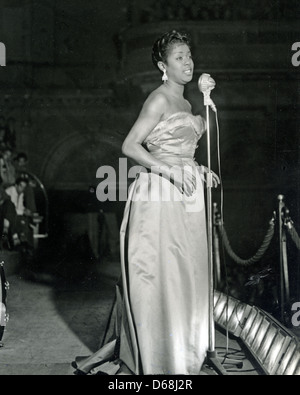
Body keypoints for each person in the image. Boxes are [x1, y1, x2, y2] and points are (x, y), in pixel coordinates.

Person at [74, 30, 219, 375]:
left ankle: (180, 351)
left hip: (187, 195)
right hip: (160, 196)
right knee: (160, 276)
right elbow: (131, 146)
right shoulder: (157, 99)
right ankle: (157, 358)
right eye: (179, 57)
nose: (188, 62)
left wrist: (198, 167)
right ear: (162, 66)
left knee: (185, 273)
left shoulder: (186, 102)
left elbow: (180, 144)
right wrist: (170, 171)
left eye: (189, 55)